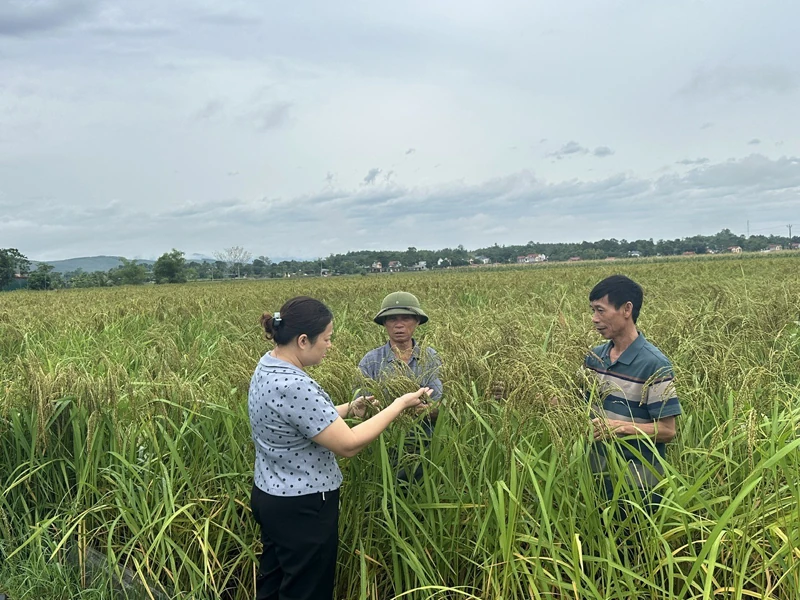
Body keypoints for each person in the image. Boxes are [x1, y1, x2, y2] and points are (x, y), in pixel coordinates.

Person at [248, 296, 431, 600]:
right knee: (307, 591)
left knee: (275, 581)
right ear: (304, 340)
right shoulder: (296, 384)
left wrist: (348, 408)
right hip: (304, 506)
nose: (329, 346)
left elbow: (299, 417)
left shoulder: (268, 365)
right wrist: (398, 404)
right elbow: (348, 444)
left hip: (270, 496)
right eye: (327, 338)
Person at [583, 275, 682, 510]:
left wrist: (619, 427)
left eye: (600, 310)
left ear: (627, 309)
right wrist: (519, 392)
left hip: (639, 490)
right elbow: (574, 405)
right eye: (592, 311)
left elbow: (668, 431)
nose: (594, 319)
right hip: (596, 480)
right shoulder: (594, 357)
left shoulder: (654, 364)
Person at [357, 292, 443, 481]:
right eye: (392, 319)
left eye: (406, 318)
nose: (399, 324)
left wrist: (425, 410)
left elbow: (440, 407)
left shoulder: (431, 358)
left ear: (417, 322)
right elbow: (361, 410)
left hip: (426, 447)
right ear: (384, 324)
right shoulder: (371, 361)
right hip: (384, 448)